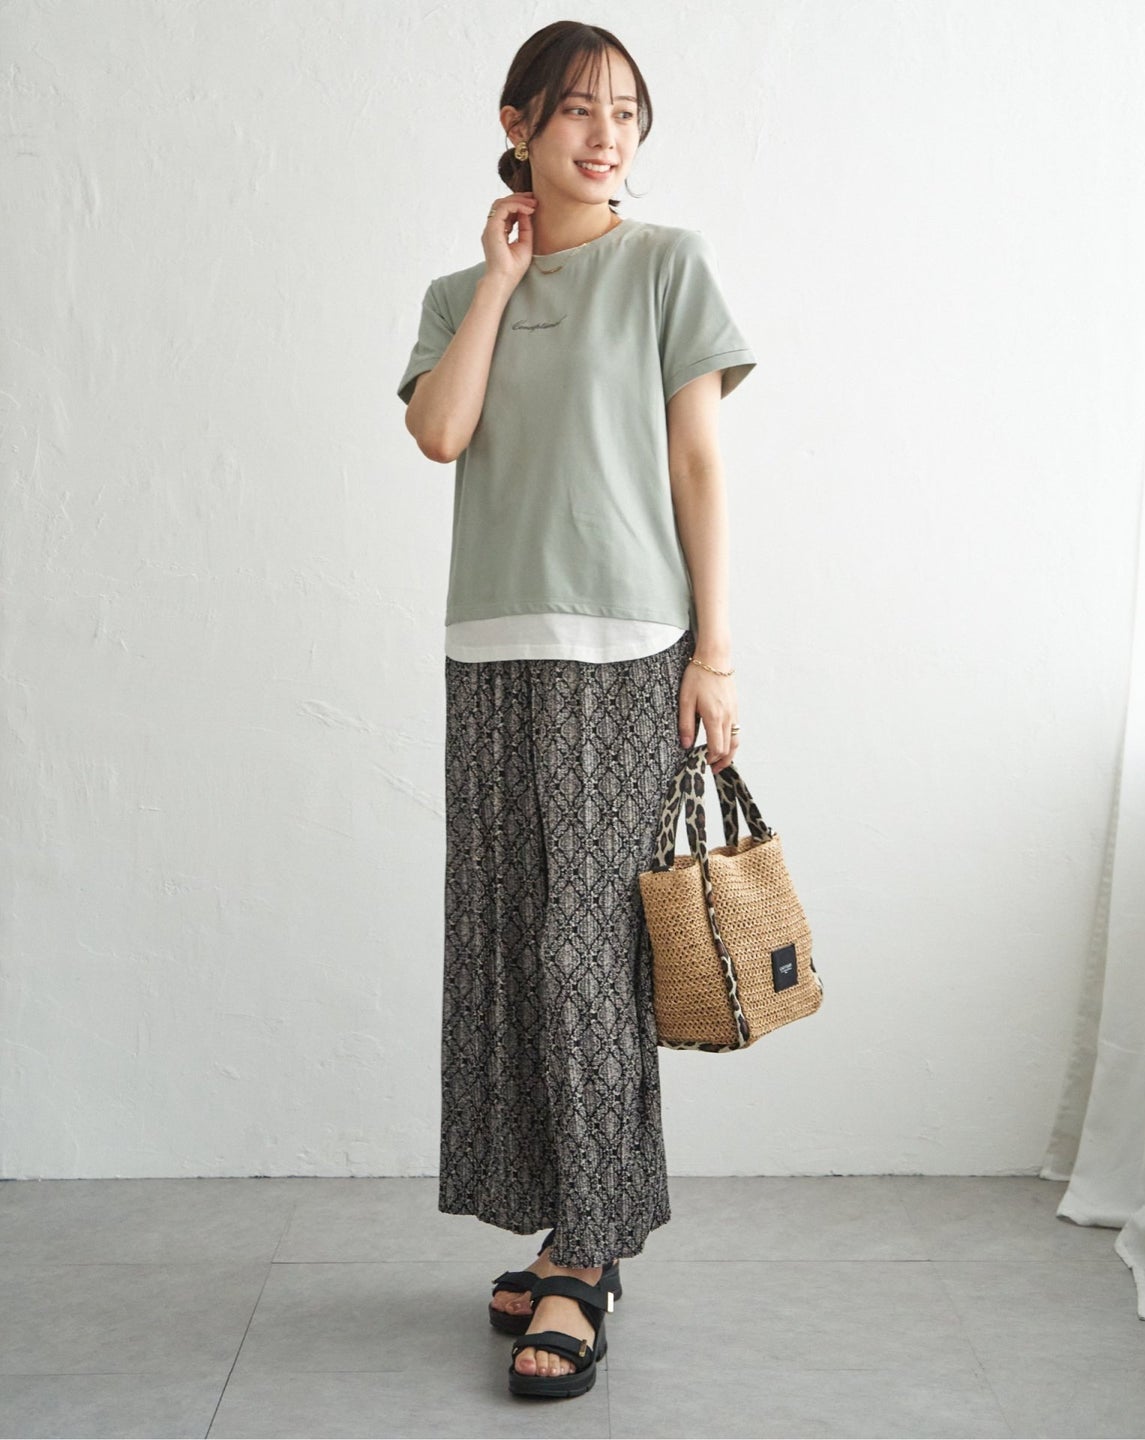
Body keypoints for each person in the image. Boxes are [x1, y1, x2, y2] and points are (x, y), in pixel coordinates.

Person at [396, 20, 756, 1401]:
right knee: (505, 941)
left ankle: (589, 1255)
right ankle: (556, 1226)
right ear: (519, 123)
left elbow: (698, 464)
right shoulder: (456, 291)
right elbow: (441, 432)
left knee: (589, 953)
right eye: (578, 111)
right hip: (490, 648)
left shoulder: (667, 265)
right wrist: (499, 281)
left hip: (627, 652)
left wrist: (716, 656)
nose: (607, 136)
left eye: (626, 113)